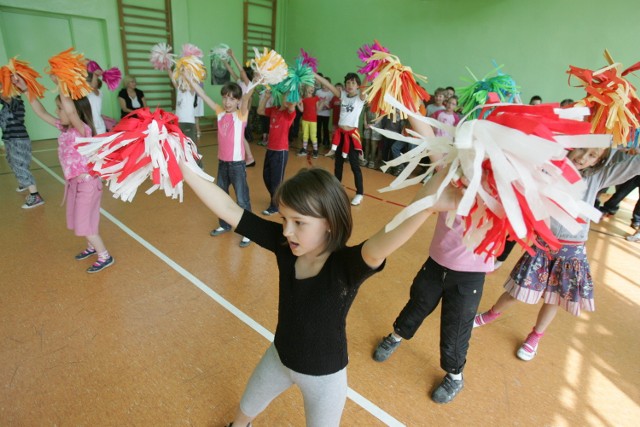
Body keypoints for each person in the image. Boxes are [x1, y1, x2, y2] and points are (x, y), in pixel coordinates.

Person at [178, 140, 458, 425]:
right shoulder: (284, 245)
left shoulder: (346, 266)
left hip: (325, 377)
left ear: (329, 223)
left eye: (299, 222)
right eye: (284, 218)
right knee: (247, 406)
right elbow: (228, 208)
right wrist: (183, 168)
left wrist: (427, 206)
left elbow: (387, 237)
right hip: (279, 357)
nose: (287, 230)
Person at [474, 147, 640, 361]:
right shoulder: (546, 169)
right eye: (582, 150)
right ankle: (491, 314)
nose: (583, 157)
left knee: (554, 298)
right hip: (543, 245)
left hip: (572, 251)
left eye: (592, 155)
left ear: (598, 160)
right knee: (517, 290)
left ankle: (535, 336)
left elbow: (633, 166)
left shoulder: (596, 176)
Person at [372, 113, 492, 404]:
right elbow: (428, 137)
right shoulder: (451, 171)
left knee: (456, 329)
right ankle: (397, 335)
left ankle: (454, 376)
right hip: (436, 264)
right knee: (417, 304)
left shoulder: (499, 191)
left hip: (469, 276)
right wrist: (404, 97)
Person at [16, 75, 114, 273]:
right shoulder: (65, 128)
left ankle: (105, 255)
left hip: (88, 184)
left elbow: (70, 109)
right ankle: (91, 247)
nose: (56, 111)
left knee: (84, 222)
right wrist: (27, 90)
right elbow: (41, 112)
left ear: (74, 112)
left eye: (59, 108)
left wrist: (61, 83)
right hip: (74, 184)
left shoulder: (83, 130)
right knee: (78, 218)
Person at [188, 80, 254, 248]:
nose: (227, 102)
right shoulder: (219, 112)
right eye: (225, 98)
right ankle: (224, 225)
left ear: (238, 101)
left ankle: (249, 231)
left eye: (232, 99)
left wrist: (254, 83)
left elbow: (246, 99)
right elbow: (202, 95)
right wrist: (190, 80)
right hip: (222, 164)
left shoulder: (241, 115)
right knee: (221, 197)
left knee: (242, 200)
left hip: (237, 165)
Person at [314, 72, 367, 206]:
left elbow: (365, 86)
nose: (350, 85)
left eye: (353, 83)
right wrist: (314, 74)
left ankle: (359, 193)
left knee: (355, 166)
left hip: (352, 136)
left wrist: (369, 71)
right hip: (340, 134)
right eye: (348, 83)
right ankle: (336, 190)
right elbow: (328, 84)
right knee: (338, 164)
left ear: (358, 86)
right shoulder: (342, 95)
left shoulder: (360, 98)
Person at [0, 92, 45, 209]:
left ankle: (35, 196)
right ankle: (23, 183)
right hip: (9, 140)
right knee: (11, 161)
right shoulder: (5, 106)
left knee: (20, 166)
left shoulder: (16, 102)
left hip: (18, 140)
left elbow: (5, 96)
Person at [257, 90, 296, 215]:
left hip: (281, 151)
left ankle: (275, 206)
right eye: (282, 96)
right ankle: (279, 198)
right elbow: (260, 111)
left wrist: (291, 91)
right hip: (270, 150)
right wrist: (266, 97)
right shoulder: (274, 109)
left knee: (276, 181)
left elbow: (292, 105)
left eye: (286, 97)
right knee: (266, 176)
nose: (284, 99)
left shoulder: (289, 113)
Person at [224, 48, 256, 167]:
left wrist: (232, 56)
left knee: (240, 136)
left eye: (243, 73)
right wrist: (225, 62)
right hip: (236, 112)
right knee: (239, 136)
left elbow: (241, 71)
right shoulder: (240, 82)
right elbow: (232, 71)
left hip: (242, 112)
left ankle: (250, 158)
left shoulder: (249, 84)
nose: (241, 74)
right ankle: (247, 157)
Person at [297, 84, 322, 159]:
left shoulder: (315, 98)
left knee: (313, 136)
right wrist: (298, 103)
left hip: (313, 121)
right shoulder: (303, 98)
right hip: (305, 120)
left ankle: (315, 150)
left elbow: (318, 110)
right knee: (305, 135)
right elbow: (302, 110)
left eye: (313, 87)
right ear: (305, 87)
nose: (312, 88)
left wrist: (322, 103)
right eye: (310, 87)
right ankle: (304, 149)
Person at [315, 74, 333, 148]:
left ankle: (326, 141)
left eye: (326, 83)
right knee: (318, 128)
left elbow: (331, 105)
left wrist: (325, 104)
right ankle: (318, 141)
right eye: (323, 83)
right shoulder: (318, 92)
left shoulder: (331, 93)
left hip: (326, 114)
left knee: (325, 128)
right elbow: (316, 102)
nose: (324, 85)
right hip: (318, 113)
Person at [362, 103, 381, 169]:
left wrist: (374, 124)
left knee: (373, 143)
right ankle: (366, 159)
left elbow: (381, 116)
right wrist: (365, 123)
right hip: (367, 124)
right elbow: (365, 113)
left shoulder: (380, 103)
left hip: (376, 126)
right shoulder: (368, 102)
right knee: (366, 142)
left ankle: (372, 161)